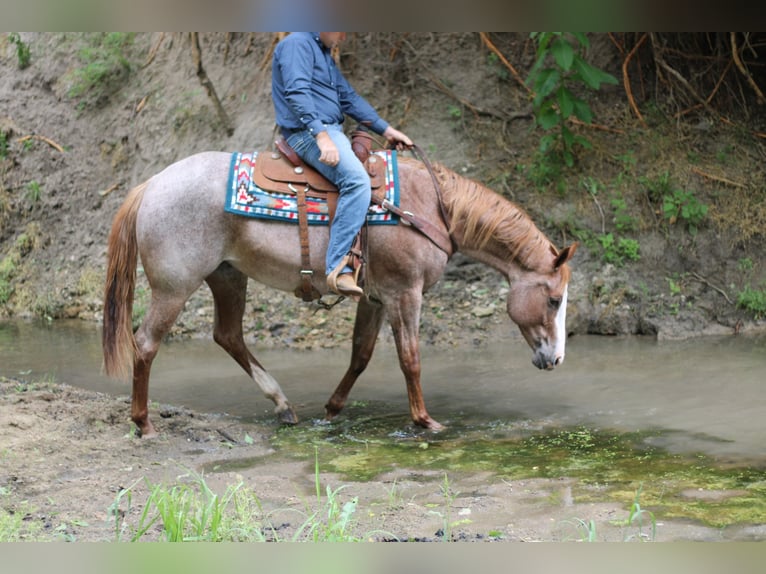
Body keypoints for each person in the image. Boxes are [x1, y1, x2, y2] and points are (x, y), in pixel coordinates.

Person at [271, 32, 413, 299]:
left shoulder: (323, 53)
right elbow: (296, 91)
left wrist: (387, 129)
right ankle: (338, 267)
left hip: (328, 129)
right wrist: (321, 136)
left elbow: (348, 98)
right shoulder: (297, 44)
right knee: (357, 182)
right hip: (307, 132)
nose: (344, 36)